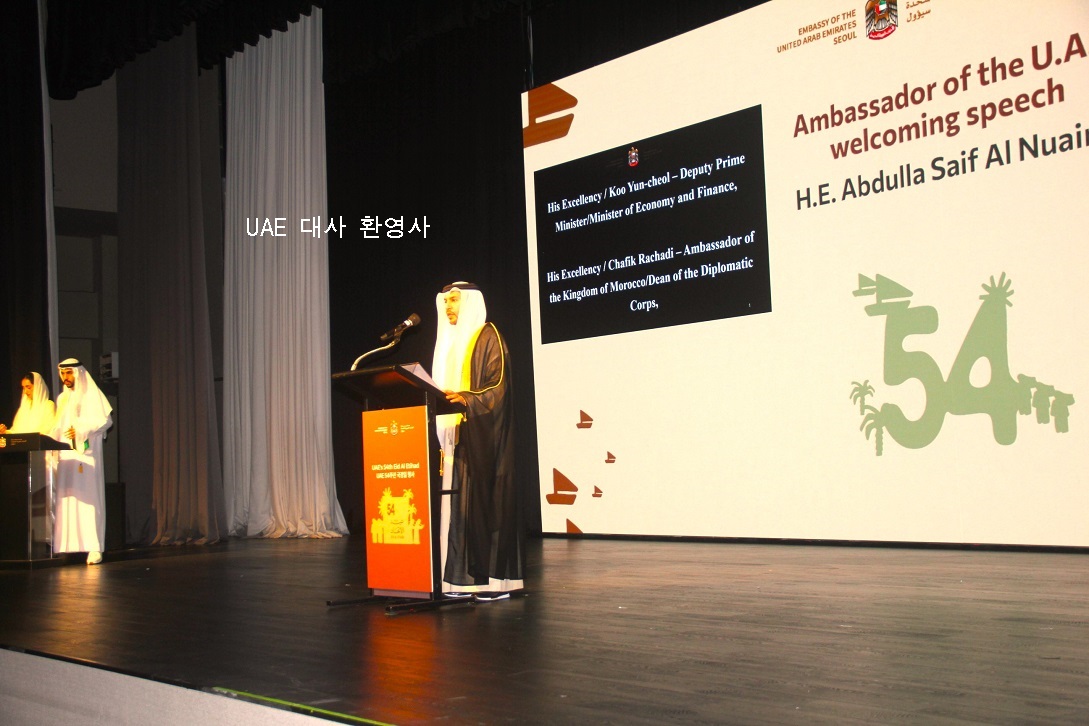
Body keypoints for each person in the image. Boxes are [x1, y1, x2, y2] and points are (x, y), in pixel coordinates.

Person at [432, 282, 523, 599]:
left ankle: (493, 584)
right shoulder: (449, 344)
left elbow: (499, 387)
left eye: (454, 300)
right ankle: (458, 581)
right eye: (445, 301)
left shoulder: (488, 335)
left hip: (485, 440)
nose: (448, 306)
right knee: (456, 510)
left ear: (470, 302)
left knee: (484, 509)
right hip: (456, 439)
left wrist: (468, 399)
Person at [50, 359, 113, 565]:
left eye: (69, 373)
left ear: (78, 373)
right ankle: (67, 546)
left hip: (86, 456)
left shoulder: (91, 395)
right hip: (66, 457)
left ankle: (94, 548)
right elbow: (57, 426)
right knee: (67, 500)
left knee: (89, 501)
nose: (66, 377)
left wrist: (81, 430)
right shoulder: (62, 398)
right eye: (63, 373)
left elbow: (106, 421)